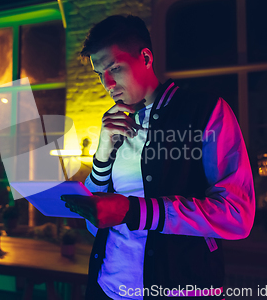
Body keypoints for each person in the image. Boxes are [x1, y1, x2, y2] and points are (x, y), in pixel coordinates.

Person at [61, 15, 255, 299]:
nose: (108, 83)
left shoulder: (204, 111)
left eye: (115, 68)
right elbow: (95, 225)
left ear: (146, 58)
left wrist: (135, 211)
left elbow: (237, 215)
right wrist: (102, 157)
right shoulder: (115, 126)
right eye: (99, 74)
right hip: (106, 288)